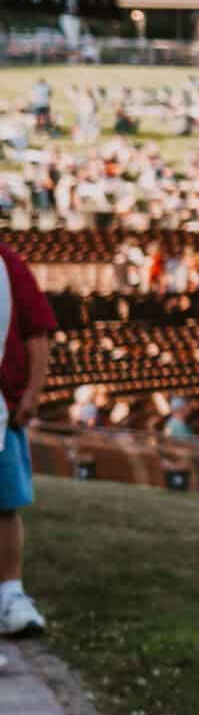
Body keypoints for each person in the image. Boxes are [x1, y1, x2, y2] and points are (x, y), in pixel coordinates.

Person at [0, 235, 56, 638]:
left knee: (5, 504)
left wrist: (32, 393)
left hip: (1, 407)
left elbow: (37, 332)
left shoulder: (8, 264)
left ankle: (10, 596)